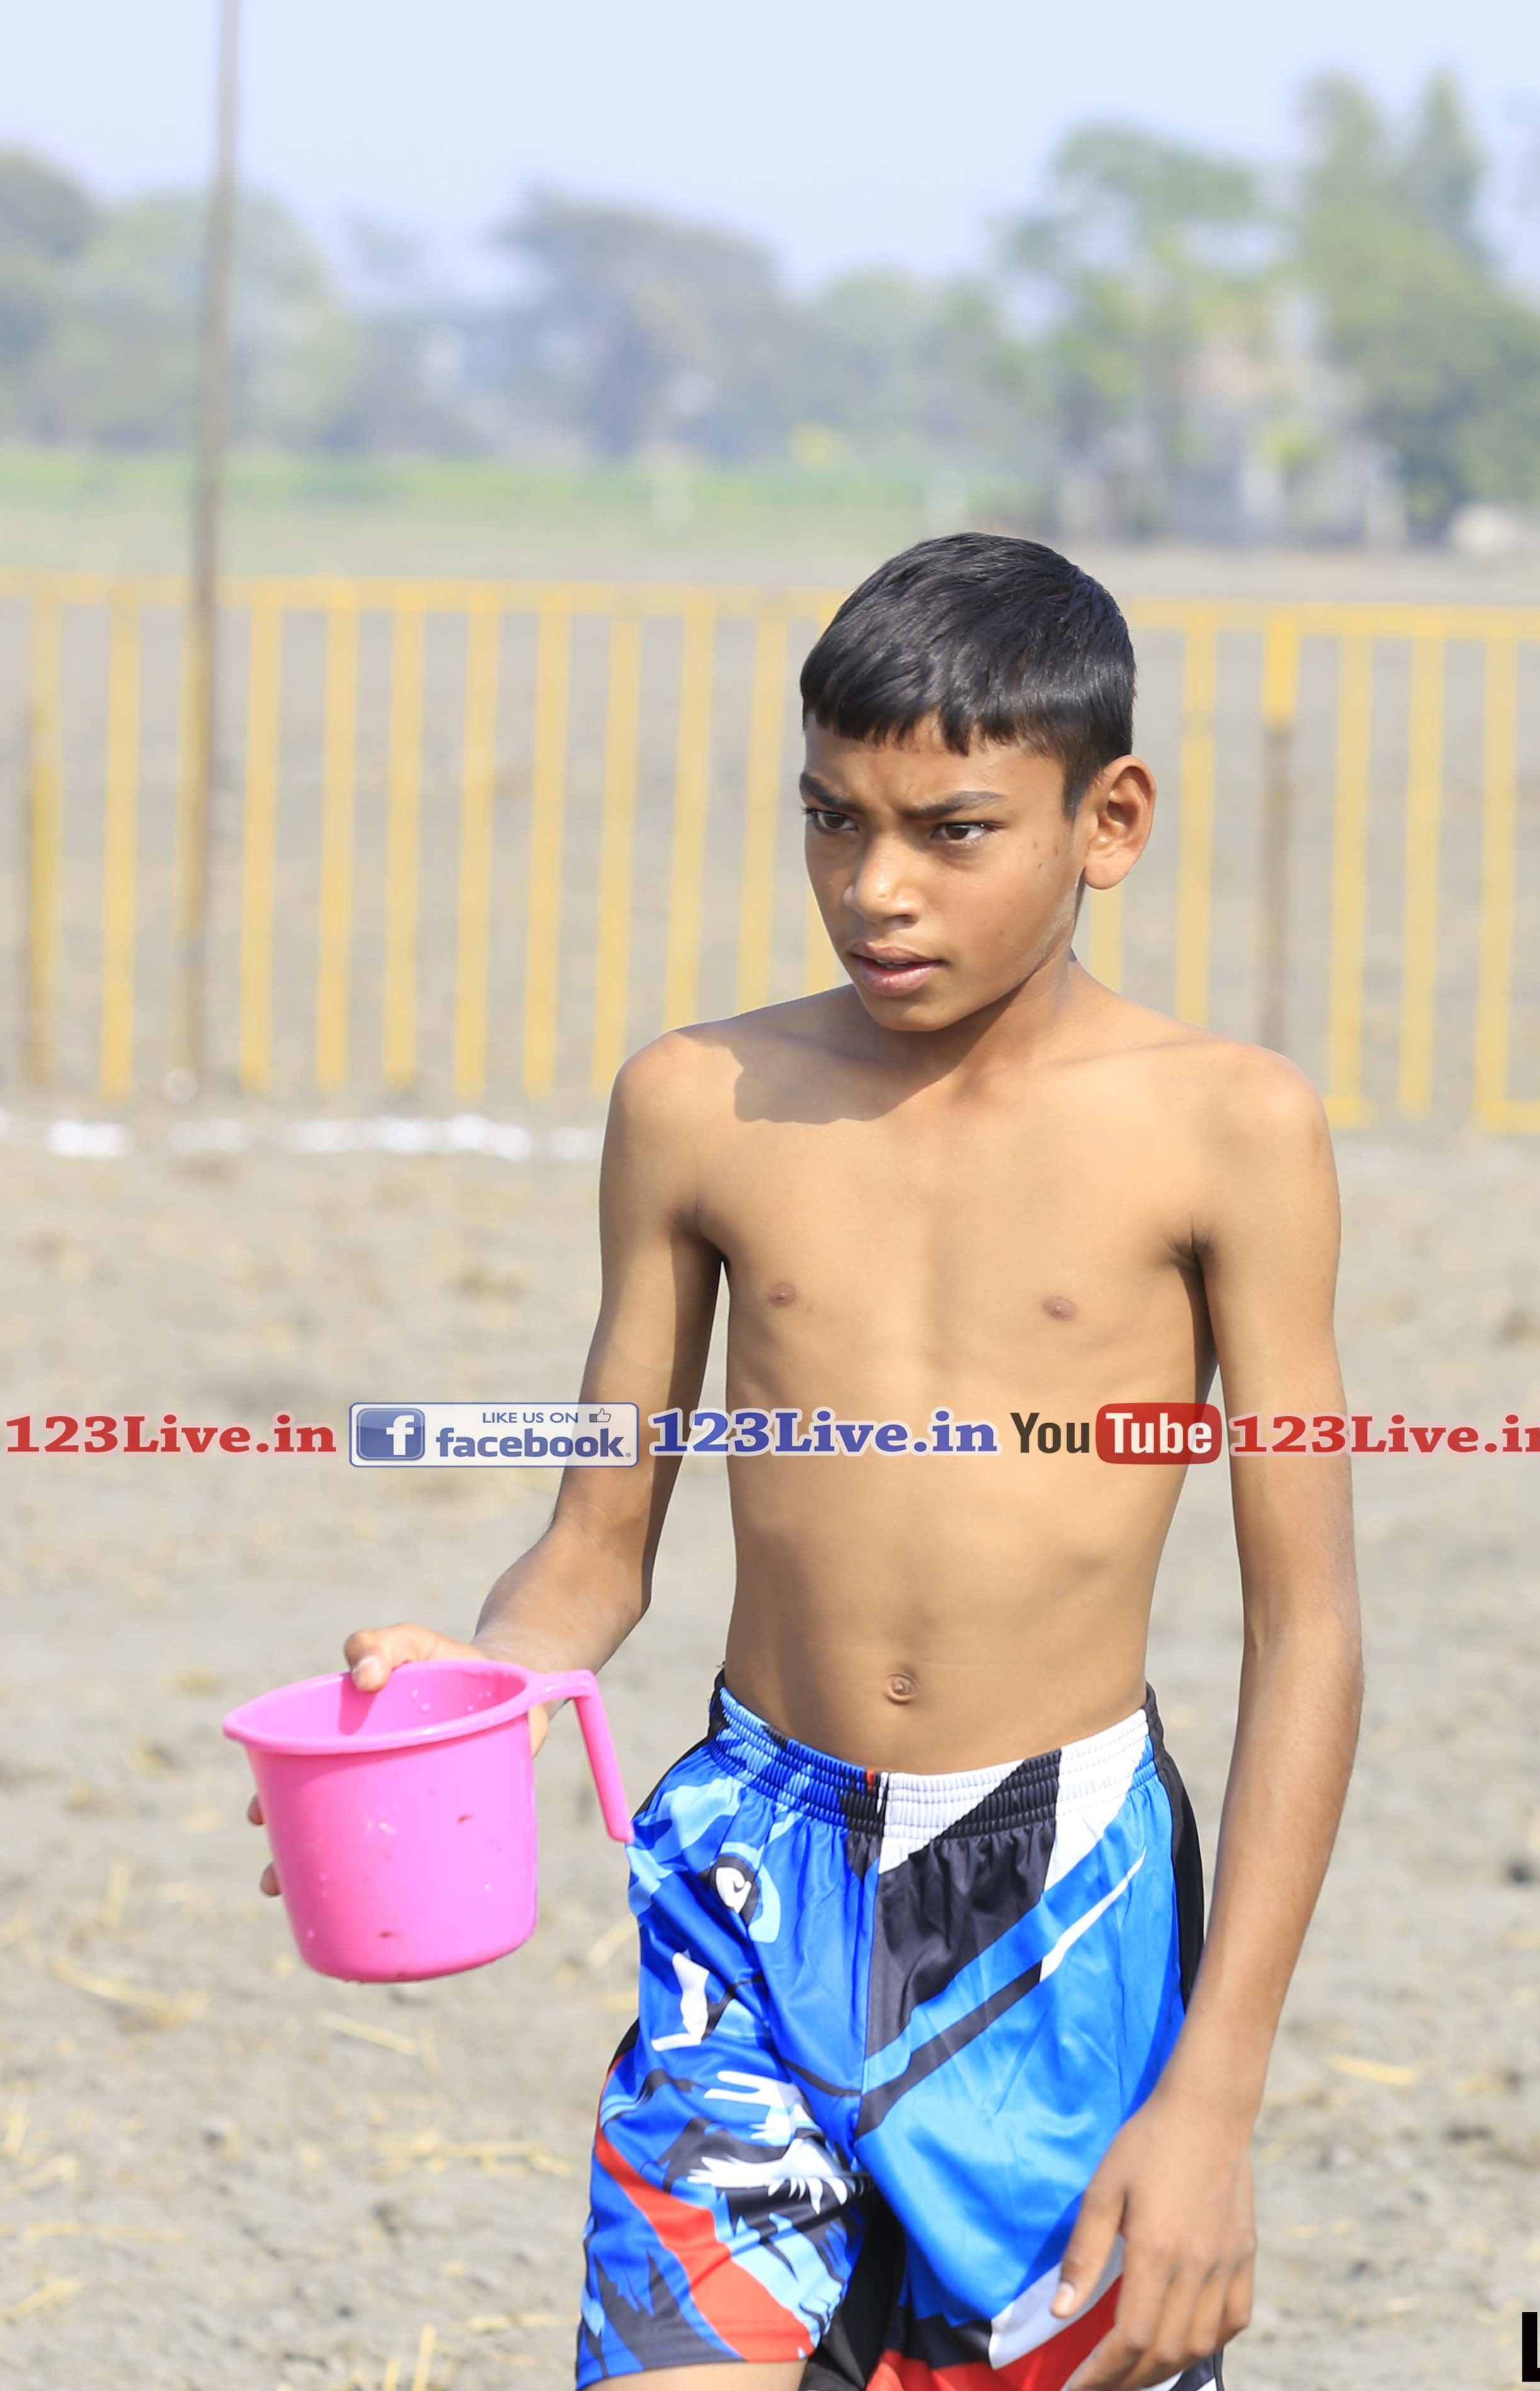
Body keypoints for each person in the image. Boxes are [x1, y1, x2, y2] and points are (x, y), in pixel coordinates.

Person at [260, 533, 1362, 2391]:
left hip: (1063, 1907)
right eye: (832, 821)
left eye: (952, 831)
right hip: (750, 1879)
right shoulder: (696, 1103)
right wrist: (485, 1690)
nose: (877, 888)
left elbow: (1308, 1628)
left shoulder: (1228, 1130)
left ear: (1110, 823)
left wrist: (1218, 2092)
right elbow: (595, 1548)